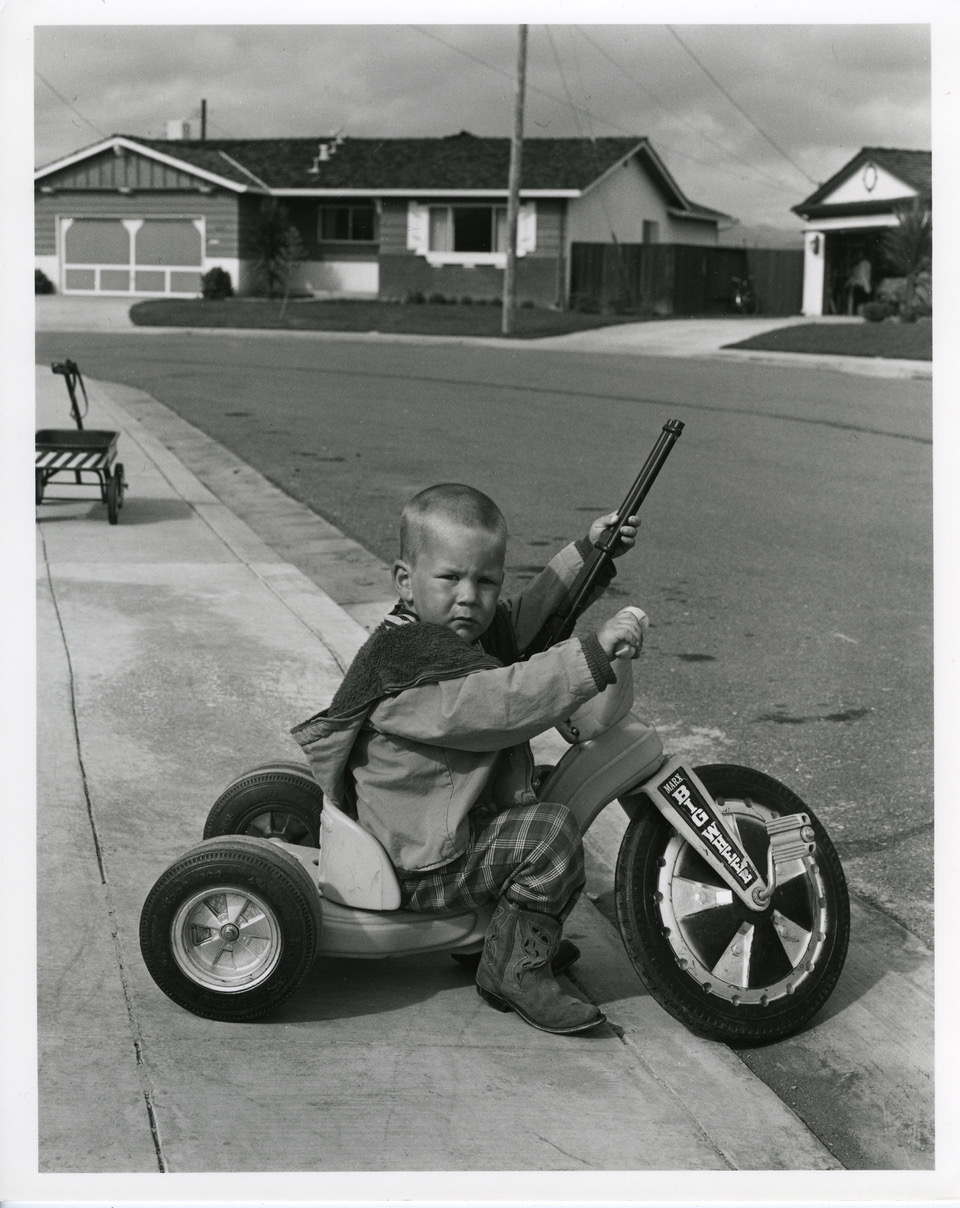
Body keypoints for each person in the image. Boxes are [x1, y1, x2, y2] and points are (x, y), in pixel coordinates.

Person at [292, 483, 646, 1035]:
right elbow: (504, 702)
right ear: (405, 582)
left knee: (545, 788)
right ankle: (511, 968)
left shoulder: (440, 636)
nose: (470, 596)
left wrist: (589, 554)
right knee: (551, 832)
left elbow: (524, 619)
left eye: (485, 580)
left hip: (437, 824)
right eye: (451, 578)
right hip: (419, 860)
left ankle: (501, 933)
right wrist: (591, 657)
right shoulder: (410, 670)